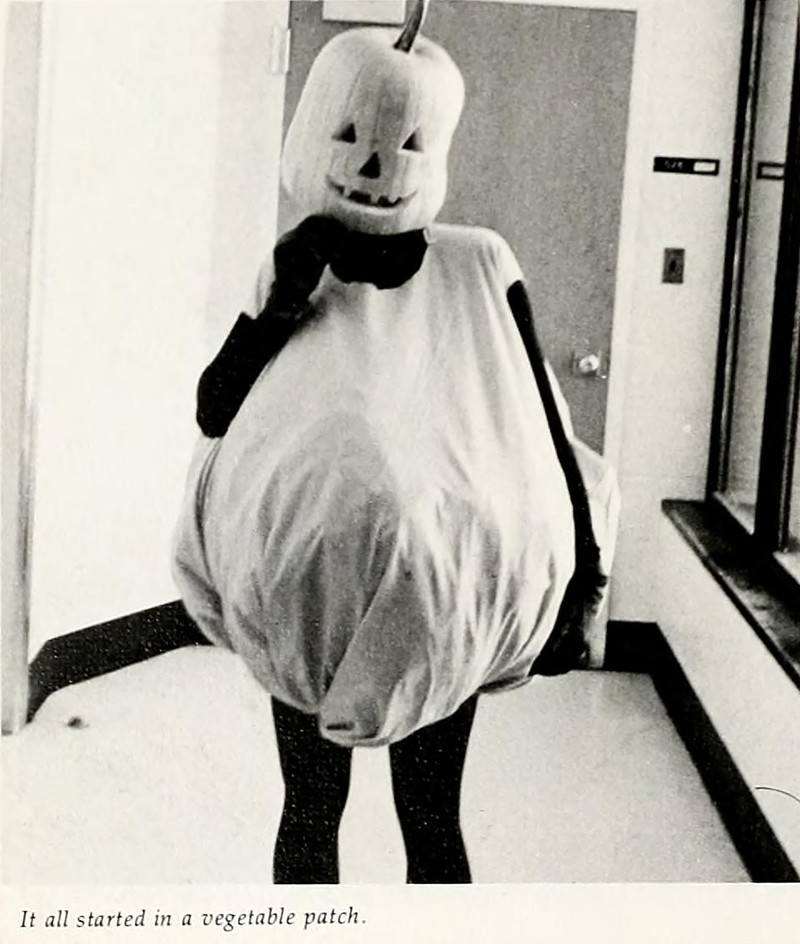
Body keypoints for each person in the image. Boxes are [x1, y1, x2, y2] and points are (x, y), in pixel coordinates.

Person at [173, 2, 610, 884]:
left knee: (430, 817)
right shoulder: (293, 269)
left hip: (439, 599)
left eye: (410, 145)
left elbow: (545, 428)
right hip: (310, 601)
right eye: (351, 138)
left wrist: (583, 580)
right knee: (311, 810)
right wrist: (280, 302)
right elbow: (215, 411)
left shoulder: (479, 264)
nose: (378, 168)